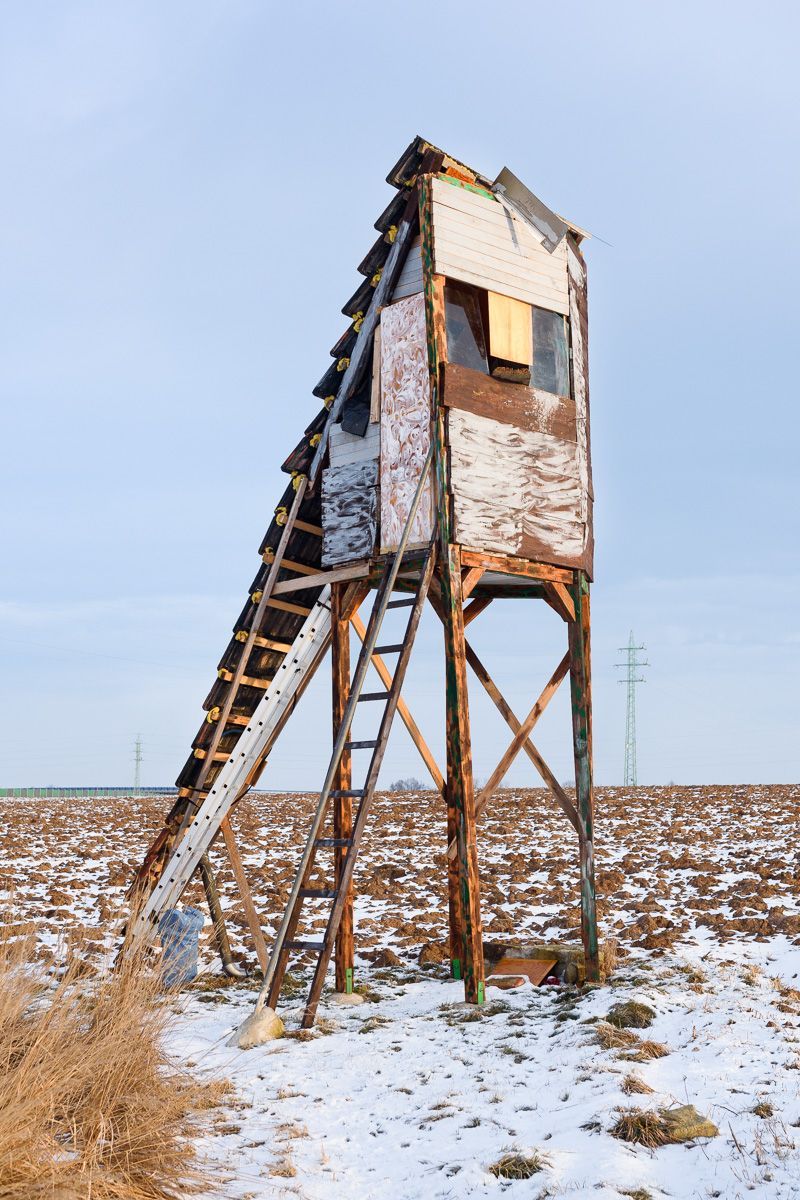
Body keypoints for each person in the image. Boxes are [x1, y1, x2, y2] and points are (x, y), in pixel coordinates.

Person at [157, 905, 205, 989]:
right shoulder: (193, 924)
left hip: (171, 983)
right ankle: (184, 979)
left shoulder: (183, 922)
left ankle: (171, 981)